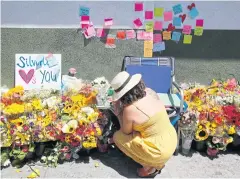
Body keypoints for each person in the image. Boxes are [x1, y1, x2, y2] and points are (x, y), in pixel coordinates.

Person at [110, 71, 177, 178]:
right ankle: (155, 163)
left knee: (118, 137)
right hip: (171, 138)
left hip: (158, 150)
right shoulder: (150, 92)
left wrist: (118, 113)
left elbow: (125, 132)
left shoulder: (130, 109)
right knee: (141, 129)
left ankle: (150, 167)